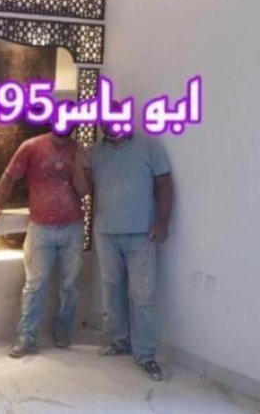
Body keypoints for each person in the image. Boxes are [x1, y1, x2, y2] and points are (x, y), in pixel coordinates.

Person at [76, 123, 174, 382]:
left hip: (142, 233)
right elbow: (85, 190)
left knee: (142, 295)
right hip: (106, 232)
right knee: (112, 290)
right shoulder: (96, 152)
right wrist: (78, 161)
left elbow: (164, 185)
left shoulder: (149, 147)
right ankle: (119, 342)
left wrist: (163, 223)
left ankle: (145, 354)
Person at [0, 129, 86, 358]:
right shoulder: (31, 146)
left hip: (73, 227)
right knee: (35, 284)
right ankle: (27, 336)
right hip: (41, 227)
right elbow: (9, 176)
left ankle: (63, 330)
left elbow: (84, 191)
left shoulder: (78, 150)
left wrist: (78, 163)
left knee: (70, 284)